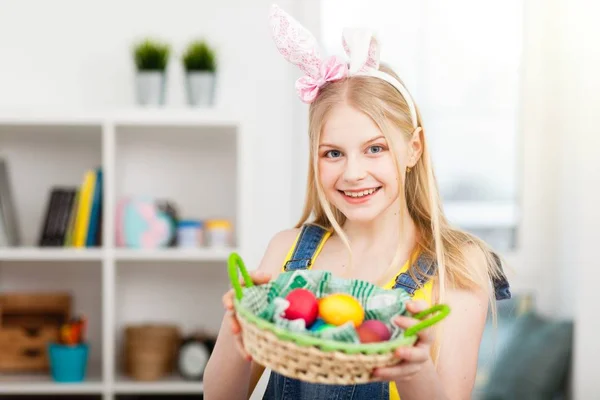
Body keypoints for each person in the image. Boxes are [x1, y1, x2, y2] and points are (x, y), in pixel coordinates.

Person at [204, 4, 511, 400]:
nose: (352, 173)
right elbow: (219, 398)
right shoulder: (287, 251)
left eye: (375, 148)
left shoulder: (458, 266)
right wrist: (241, 326)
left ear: (413, 148)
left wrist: (412, 368)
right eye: (333, 153)